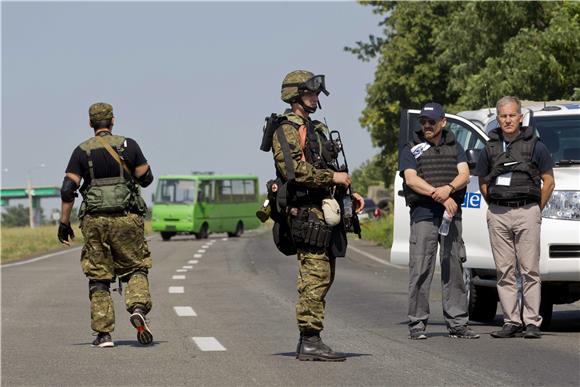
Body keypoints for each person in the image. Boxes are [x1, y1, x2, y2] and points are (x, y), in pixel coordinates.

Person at [270, 70, 364, 361]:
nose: (316, 98)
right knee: (314, 277)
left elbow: (329, 166)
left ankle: (311, 338)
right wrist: (333, 178)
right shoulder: (285, 129)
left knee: (325, 276)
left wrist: (348, 192)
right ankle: (309, 340)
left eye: (316, 93)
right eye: (310, 93)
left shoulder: (317, 128)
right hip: (306, 213)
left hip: (325, 209)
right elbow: (293, 171)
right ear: (295, 95)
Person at [58, 102, 155, 347]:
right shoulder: (129, 145)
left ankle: (104, 335)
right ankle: (138, 308)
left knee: (99, 276)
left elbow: (68, 188)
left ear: (91, 123)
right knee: (135, 268)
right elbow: (147, 178)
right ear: (112, 121)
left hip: (95, 222)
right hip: (126, 218)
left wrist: (64, 222)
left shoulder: (81, 151)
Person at [474, 96, 555, 339]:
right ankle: (511, 321)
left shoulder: (536, 145)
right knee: (504, 270)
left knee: (530, 270)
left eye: (512, 115)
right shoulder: (489, 147)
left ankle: (531, 322)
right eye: (503, 116)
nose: (507, 120)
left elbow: (549, 182)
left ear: (520, 117)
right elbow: (482, 182)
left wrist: (534, 209)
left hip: (527, 211)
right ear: (497, 119)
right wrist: (496, 205)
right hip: (498, 213)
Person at [399, 102, 479, 340]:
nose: (426, 125)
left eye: (431, 122)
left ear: (443, 122)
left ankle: (457, 324)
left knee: (453, 268)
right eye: (423, 121)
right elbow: (411, 180)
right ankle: (417, 323)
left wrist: (449, 188)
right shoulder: (411, 147)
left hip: (451, 215)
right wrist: (442, 196)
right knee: (421, 268)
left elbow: (464, 174)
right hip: (424, 213)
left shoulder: (455, 145)